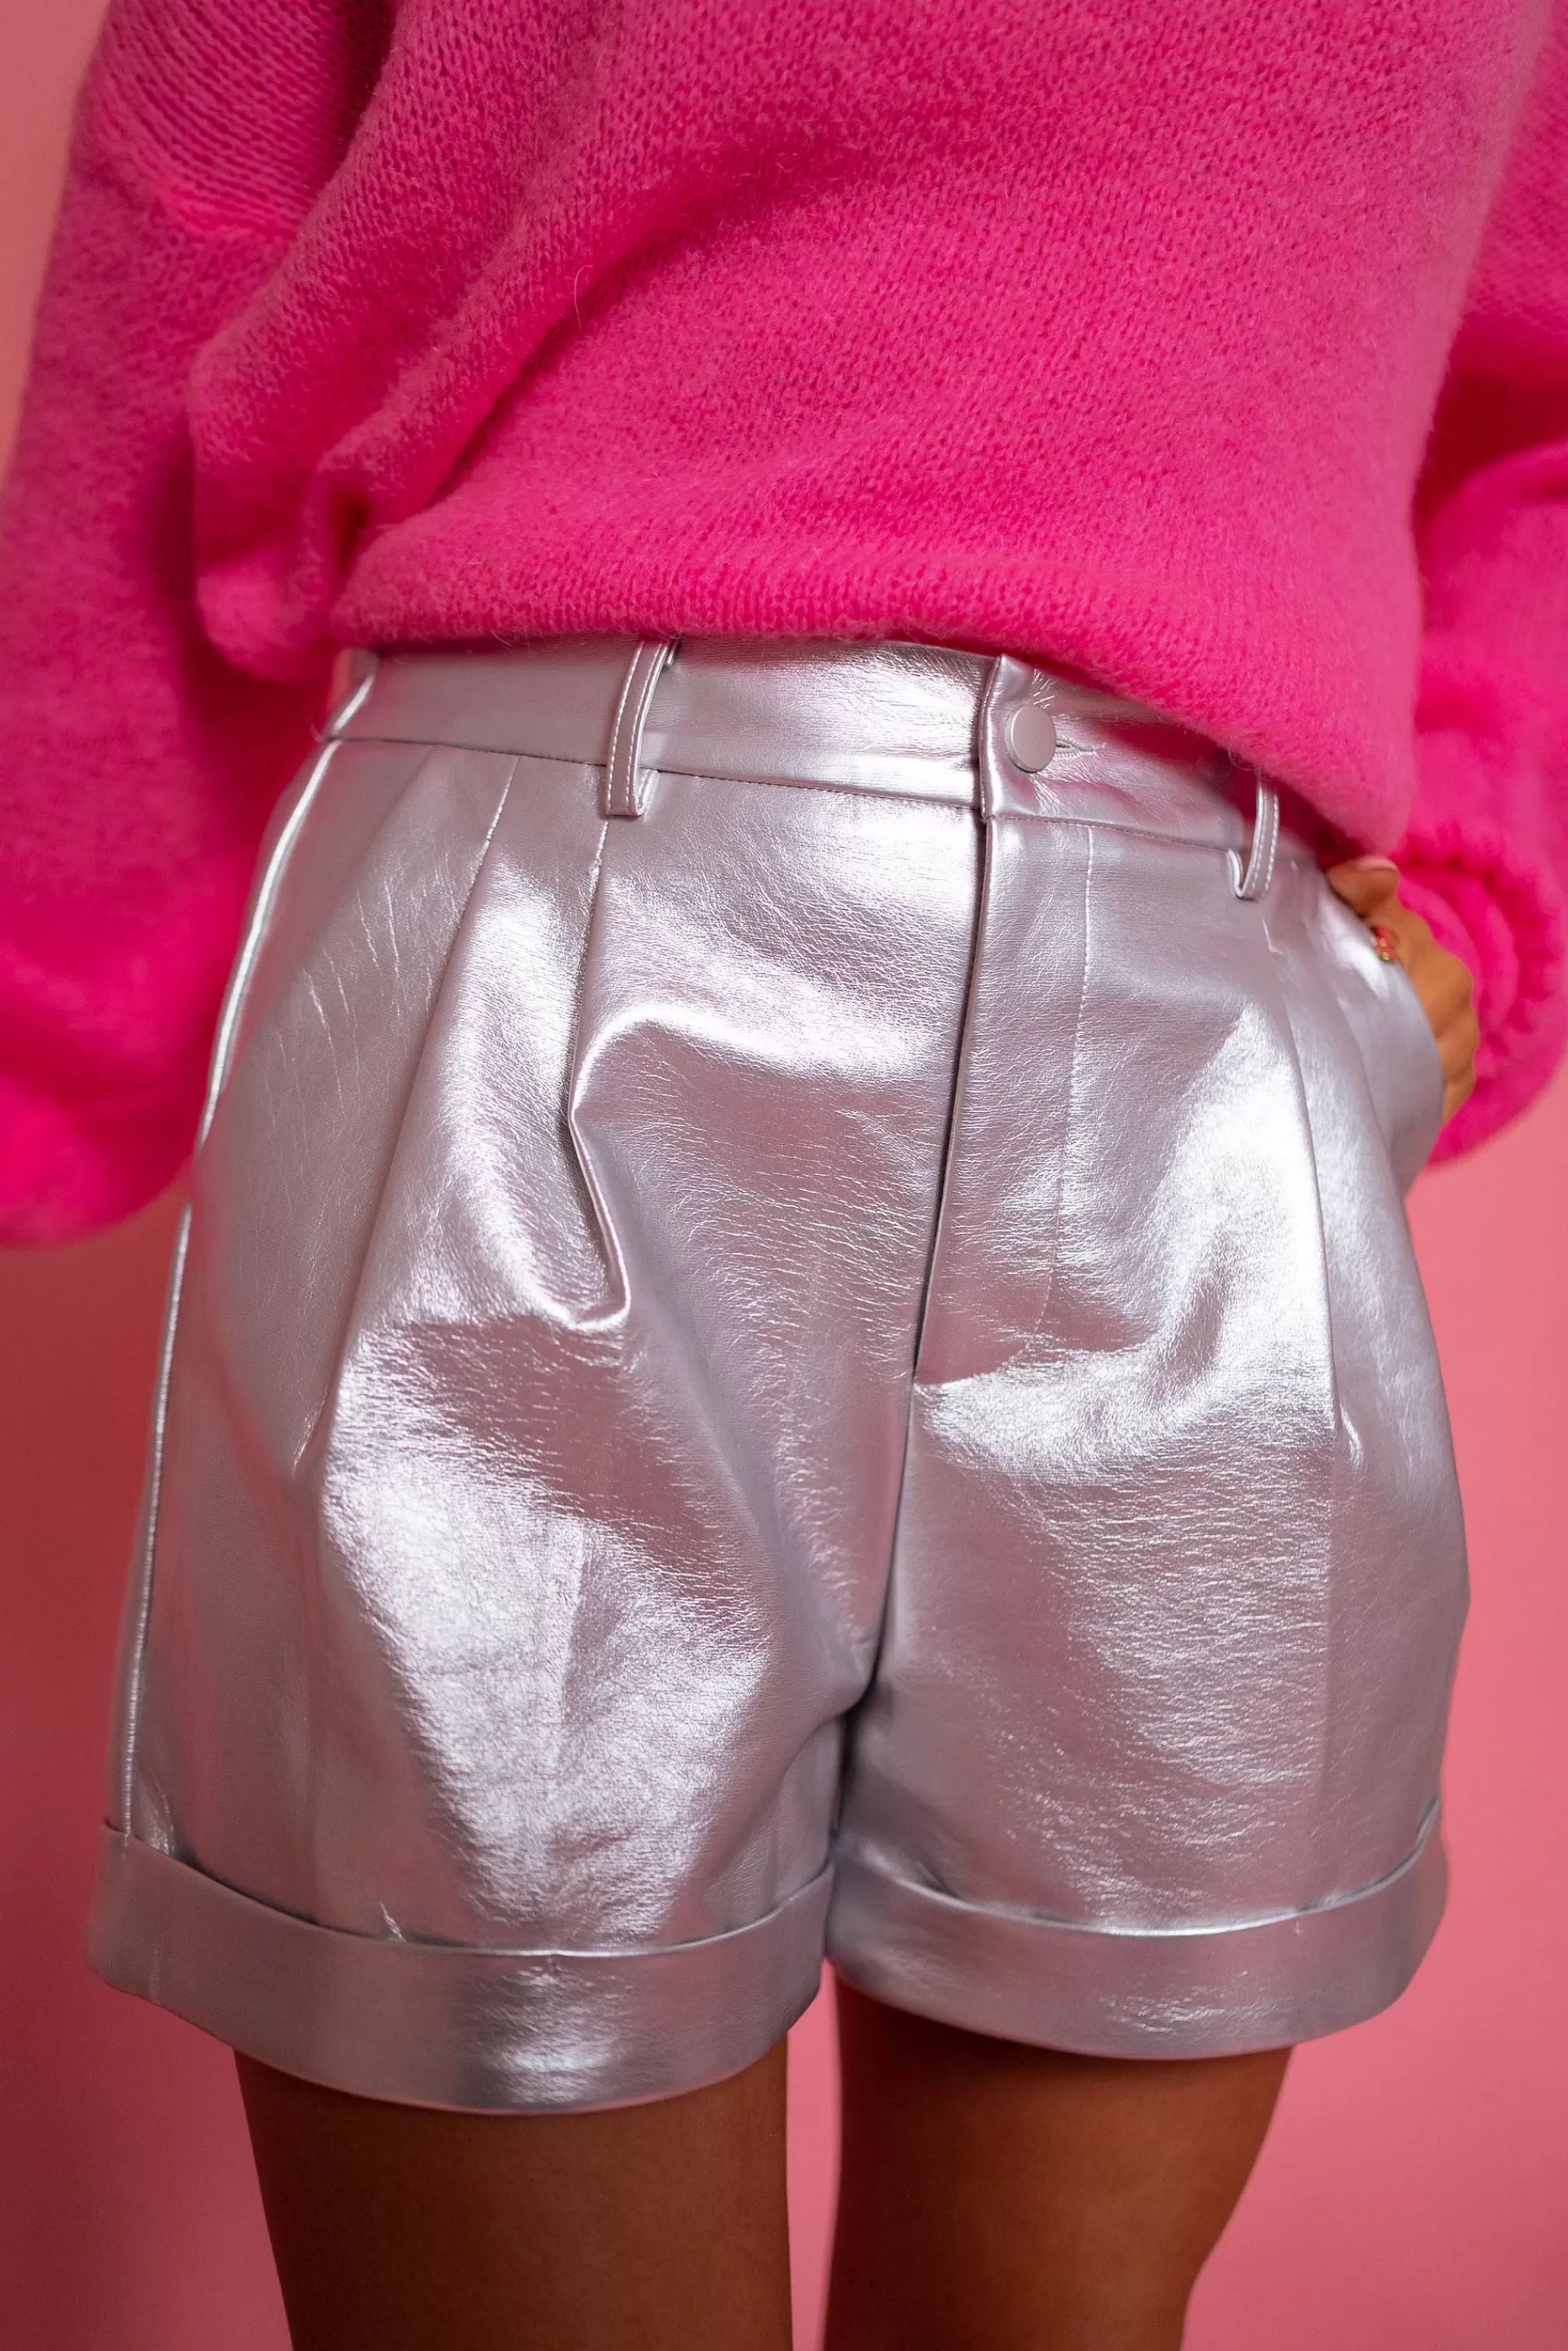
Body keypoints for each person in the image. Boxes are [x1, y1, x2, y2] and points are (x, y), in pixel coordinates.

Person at [0, 2, 1561, 2346]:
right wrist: (58, 988)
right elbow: (198, 190)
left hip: (1208, 1049)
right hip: (538, 982)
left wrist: (1487, 892)